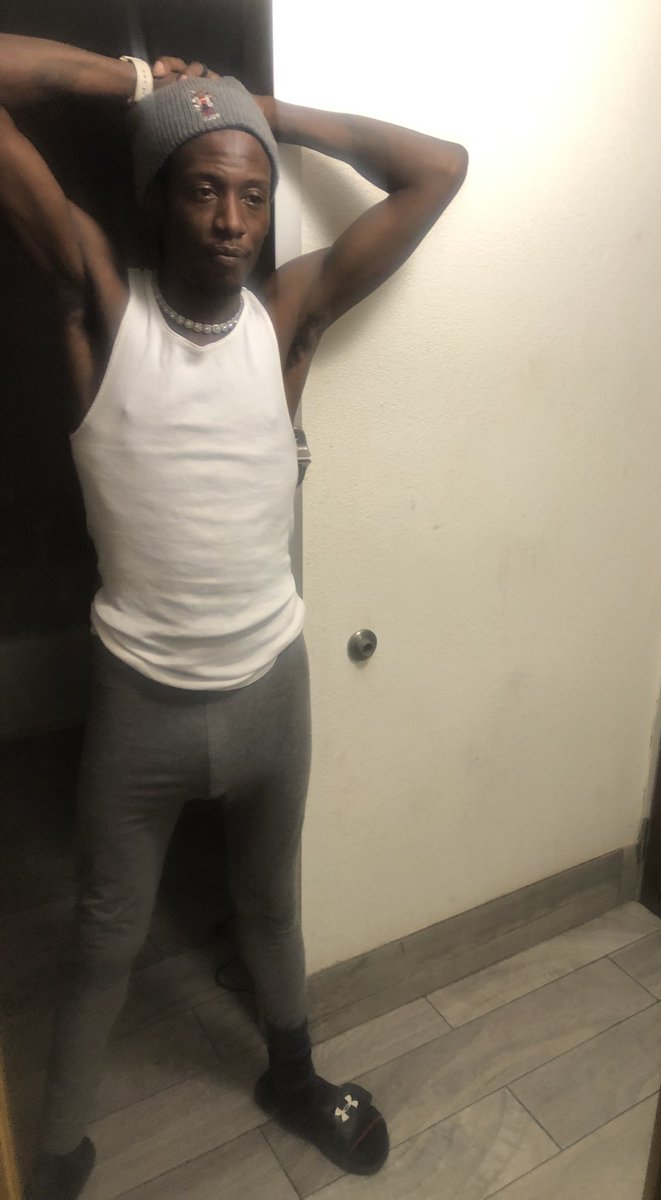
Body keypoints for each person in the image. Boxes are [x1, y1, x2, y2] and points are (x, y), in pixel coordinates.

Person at [0, 32, 467, 1200]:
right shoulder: (102, 303)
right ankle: (53, 1154)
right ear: (159, 200)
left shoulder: (287, 317)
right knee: (105, 937)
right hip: (139, 711)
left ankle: (291, 1077)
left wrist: (268, 112)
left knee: (272, 906)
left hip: (273, 697)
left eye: (253, 197)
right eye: (205, 189)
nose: (232, 220)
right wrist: (134, 85)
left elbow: (441, 169)